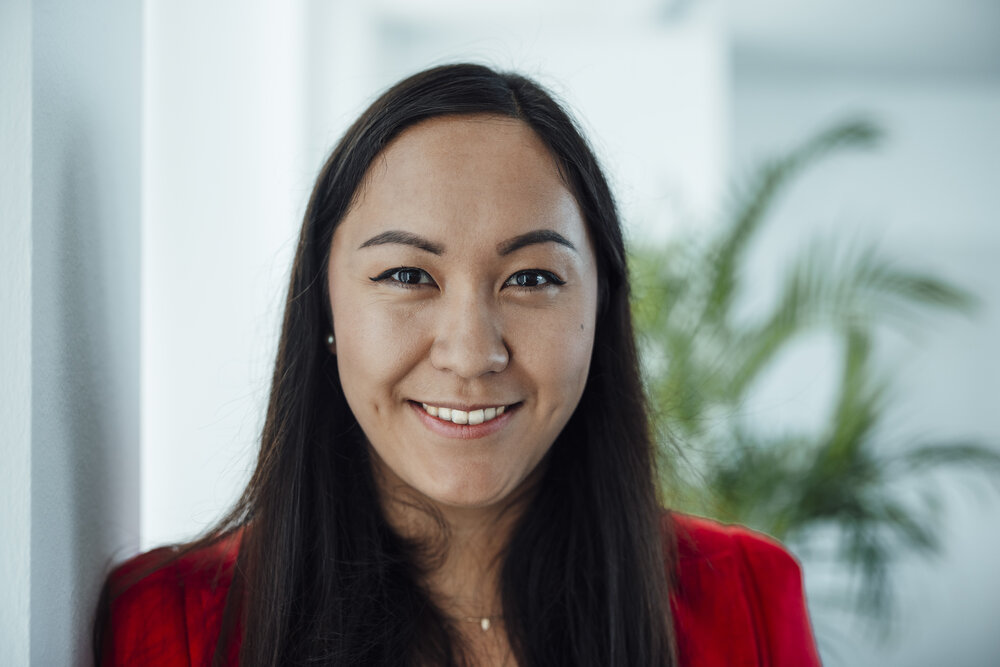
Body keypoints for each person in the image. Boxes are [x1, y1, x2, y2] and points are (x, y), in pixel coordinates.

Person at [94, 63, 821, 667]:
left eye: (531, 279)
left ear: (602, 309)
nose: (472, 353)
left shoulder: (750, 598)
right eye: (408, 276)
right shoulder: (170, 624)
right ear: (325, 310)